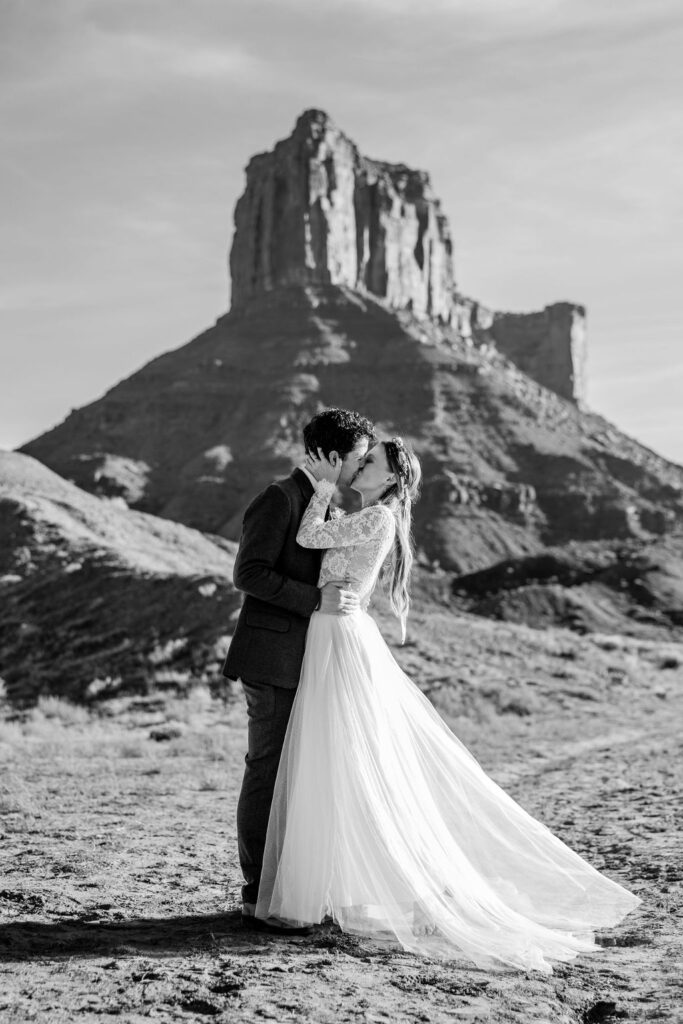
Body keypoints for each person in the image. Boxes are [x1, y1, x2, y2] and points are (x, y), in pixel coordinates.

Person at [254, 437, 642, 973]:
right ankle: (333, 888)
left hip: (339, 634)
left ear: (392, 478)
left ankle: (361, 888)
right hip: (329, 631)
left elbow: (308, 535)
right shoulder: (366, 514)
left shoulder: (378, 519)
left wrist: (320, 486)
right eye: (361, 460)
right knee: (330, 758)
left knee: (347, 757)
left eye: (371, 462)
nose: (361, 465)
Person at [223, 408, 376, 932]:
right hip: (272, 658)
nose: (361, 468)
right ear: (333, 457)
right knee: (267, 768)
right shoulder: (279, 498)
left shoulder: (326, 505)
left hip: (309, 660)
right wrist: (315, 600)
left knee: (301, 773)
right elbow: (249, 573)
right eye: (358, 458)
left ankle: (288, 885)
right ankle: (254, 890)